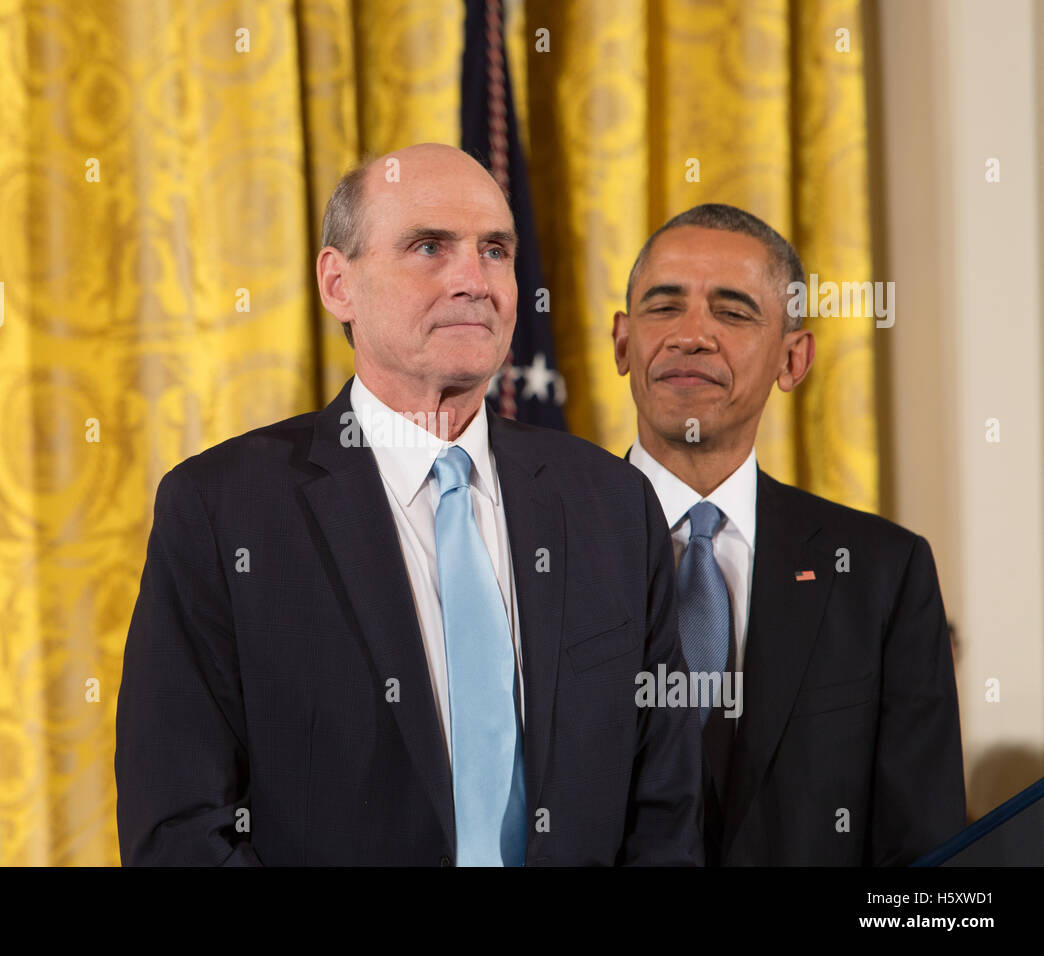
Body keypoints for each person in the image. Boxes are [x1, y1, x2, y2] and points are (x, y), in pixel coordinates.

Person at [115, 143, 702, 866]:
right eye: (429, 247)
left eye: (495, 250)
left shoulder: (612, 504)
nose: (473, 280)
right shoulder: (222, 510)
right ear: (339, 284)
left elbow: (666, 811)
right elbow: (178, 828)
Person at [612, 203, 965, 865]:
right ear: (623, 342)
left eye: (733, 312)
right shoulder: (540, 546)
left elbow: (922, 862)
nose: (691, 336)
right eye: (664, 307)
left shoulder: (884, 573)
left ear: (793, 358)